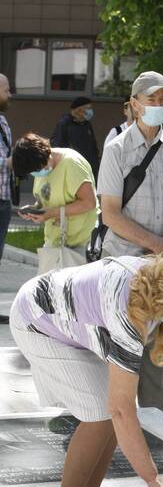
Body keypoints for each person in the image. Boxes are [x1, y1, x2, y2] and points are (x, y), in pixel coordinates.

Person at [10, 254, 163, 487]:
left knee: (107, 416)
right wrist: (151, 476)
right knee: (100, 415)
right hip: (38, 320)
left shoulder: (150, 284)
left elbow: (119, 410)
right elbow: (122, 408)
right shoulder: (128, 312)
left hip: (71, 321)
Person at [98, 70, 163, 414]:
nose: (158, 105)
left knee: (159, 348)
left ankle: (158, 424)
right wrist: (157, 243)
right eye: (151, 99)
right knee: (121, 346)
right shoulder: (116, 150)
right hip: (123, 264)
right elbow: (109, 213)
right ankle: (115, 422)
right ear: (134, 105)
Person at [12, 133, 97, 262]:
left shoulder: (71, 163)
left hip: (81, 245)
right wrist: (35, 209)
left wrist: (50, 214)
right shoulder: (38, 165)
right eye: (33, 172)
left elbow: (89, 203)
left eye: (39, 168)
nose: (38, 172)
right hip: (54, 244)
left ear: (47, 153)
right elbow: (47, 199)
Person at [51, 96, 99, 179]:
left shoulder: (87, 124)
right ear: (79, 110)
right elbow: (58, 147)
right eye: (88, 108)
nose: (90, 111)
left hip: (89, 169)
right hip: (72, 169)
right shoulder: (65, 124)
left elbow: (93, 146)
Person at [0, 74, 13, 324]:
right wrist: (13, 162)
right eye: (6, 90)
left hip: (3, 198)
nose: (10, 95)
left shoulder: (3, 121)